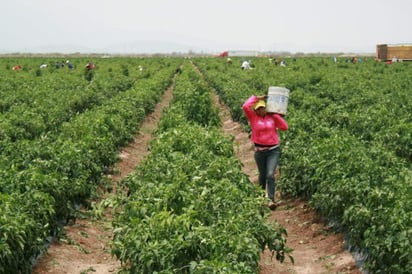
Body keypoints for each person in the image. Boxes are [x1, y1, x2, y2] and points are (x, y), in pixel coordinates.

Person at [242, 94, 288, 210]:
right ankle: (261, 198)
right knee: (262, 175)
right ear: (255, 110)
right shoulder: (253, 118)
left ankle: (271, 200)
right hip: (259, 151)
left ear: (265, 108)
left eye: (262, 108)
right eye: (258, 109)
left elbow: (284, 127)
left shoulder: (272, 117)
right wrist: (257, 98)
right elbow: (245, 106)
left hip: (273, 150)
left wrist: (276, 115)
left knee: (270, 174)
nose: (260, 110)